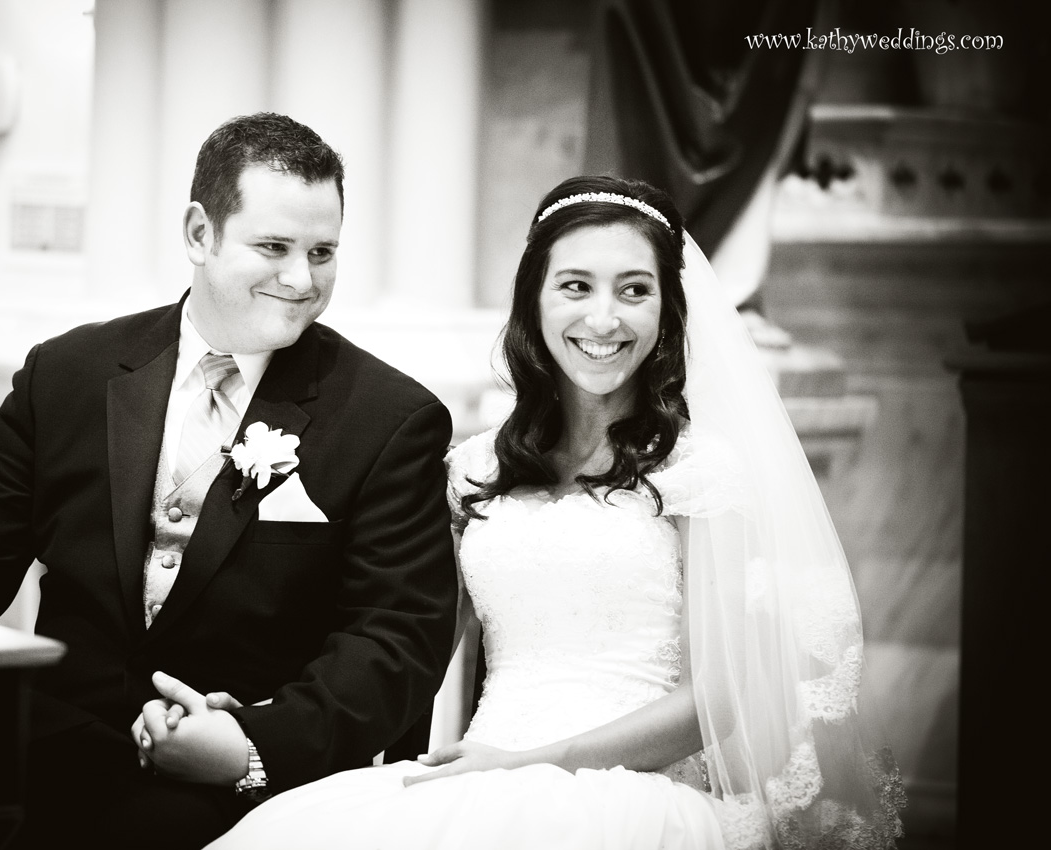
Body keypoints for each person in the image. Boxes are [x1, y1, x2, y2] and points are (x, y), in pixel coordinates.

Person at [206, 175, 906, 849]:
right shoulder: (475, 469)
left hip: (630, 795)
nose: (603, 319)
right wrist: (273, 720)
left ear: (666, 310)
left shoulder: (699, 471)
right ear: (533, 300)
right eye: (575, 286)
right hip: (475, 777)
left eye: (634, 290)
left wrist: (531, 764)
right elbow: (410, 652)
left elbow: (719, 698)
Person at [0, 112, 458, 846]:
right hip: (49, 750)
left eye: (322, 252)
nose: (301, 279)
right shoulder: (68, 375)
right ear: (198, 233)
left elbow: (394, 640)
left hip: (238, 784)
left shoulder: (389, 418)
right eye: (273, 247)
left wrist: (248, 747)